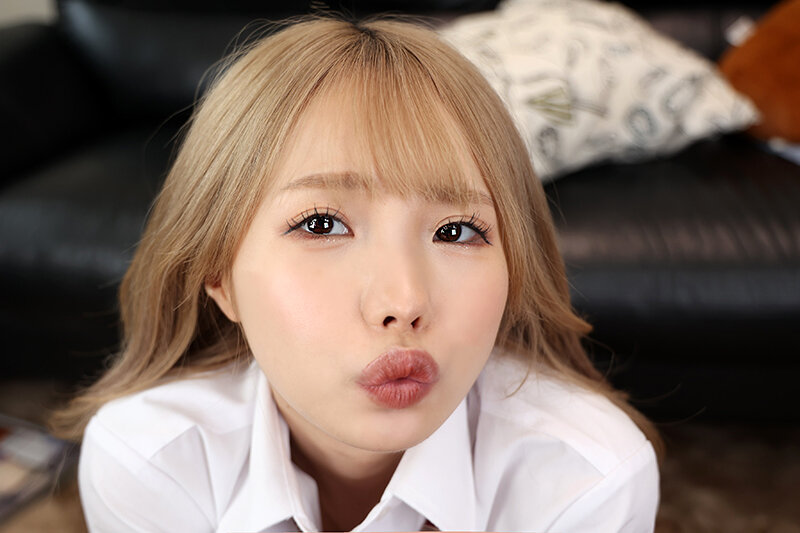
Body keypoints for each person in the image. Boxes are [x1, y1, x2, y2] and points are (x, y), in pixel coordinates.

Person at [52, 14, 662, 532]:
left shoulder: (585, 482)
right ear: (219, 276)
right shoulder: (150, 460)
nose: (404, 301)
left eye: (457, 231)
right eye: (321, 225)